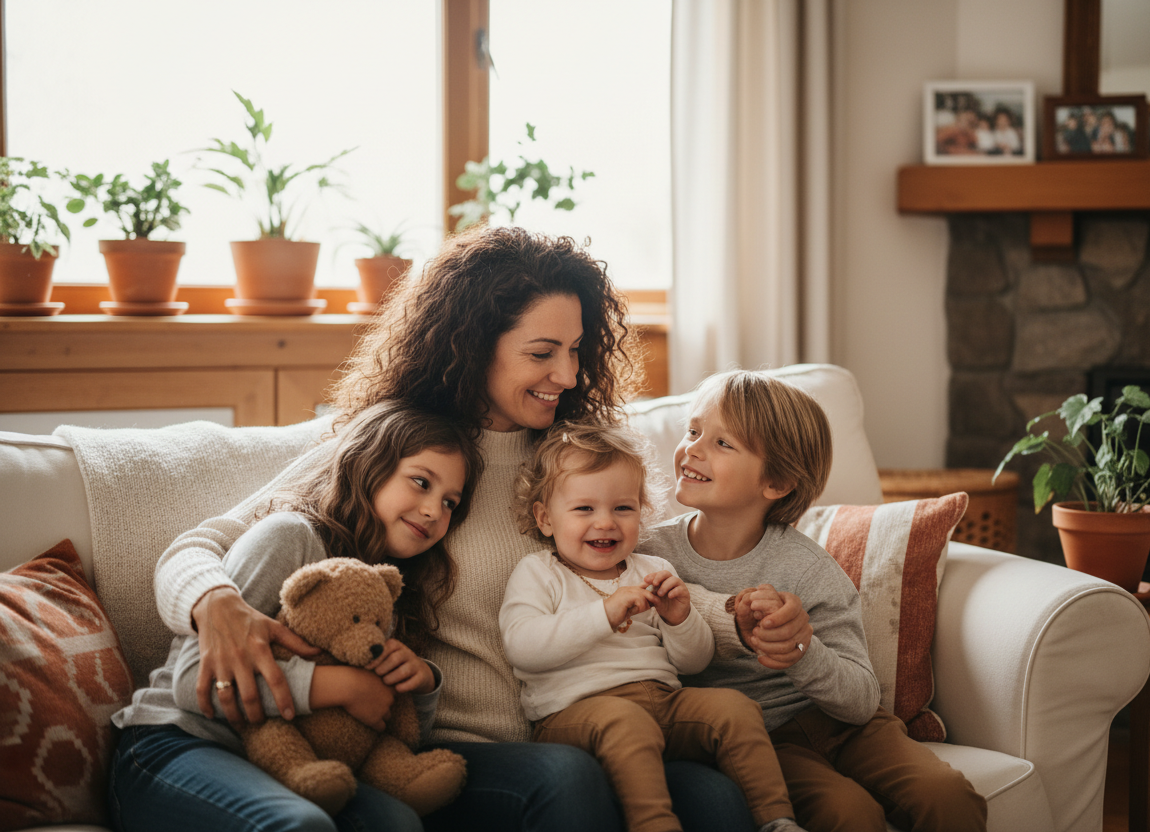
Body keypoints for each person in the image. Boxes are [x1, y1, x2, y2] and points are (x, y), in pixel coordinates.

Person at [145, 226, 813, 832]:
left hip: (585, 721)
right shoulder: (404, 454)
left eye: (577, 351)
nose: (569, 375)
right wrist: (217, 603)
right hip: (462, 747)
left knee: (718, 800)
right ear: (472, 346)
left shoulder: (580, 454)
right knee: (565, 780)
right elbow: (202, 545)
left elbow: (650, 575)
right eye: (543, 352)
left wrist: (742, 623)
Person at [110, 402, 482, 832]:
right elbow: (193, 683)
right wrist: (333, 687)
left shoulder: (387, 593)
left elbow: (386, 729)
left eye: (450, 502)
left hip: (289, 766)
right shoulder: (290, 538)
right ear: (371, 465)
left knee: (398, 822)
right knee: (301, 824)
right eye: (421, 482)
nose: (435, 511)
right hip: (174, 745)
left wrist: (422, 685)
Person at [643, 370, 987, 832]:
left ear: (777, 482)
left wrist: (802, 650)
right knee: (846, 814)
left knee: (948, 797)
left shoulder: (808, 568)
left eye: (724, 443)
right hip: (764, 742)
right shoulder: (648, 554)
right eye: (693, 430)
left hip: (849, 726)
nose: (693, 448)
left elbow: (863, 701)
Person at [501, 422, 807, 832]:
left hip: (664, 702)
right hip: (576, 713)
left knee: (734, 708)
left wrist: (679, 617)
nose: (606, 523)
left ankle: (777, 820)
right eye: (584, 509)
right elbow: (524, 647)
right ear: (545, 518)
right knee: (626, 723)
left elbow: (695, 663)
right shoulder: (539, 573)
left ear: (642, 513)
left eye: (623, 508)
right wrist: (604, 614)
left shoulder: (654, 570)